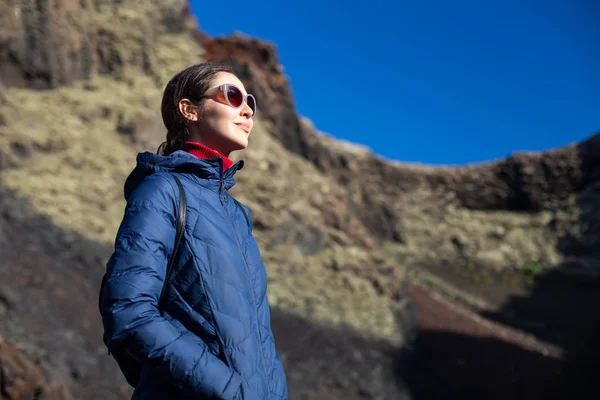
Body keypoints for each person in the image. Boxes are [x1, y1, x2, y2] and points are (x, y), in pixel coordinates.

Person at [99, 62, 288, 400]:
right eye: (232, 96)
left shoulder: (237, 214)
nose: (246, 110)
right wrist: (231, 392)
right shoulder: (162, 190)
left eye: (250, 102)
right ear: (189, 110)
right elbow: (129, 312)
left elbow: (254, 340)